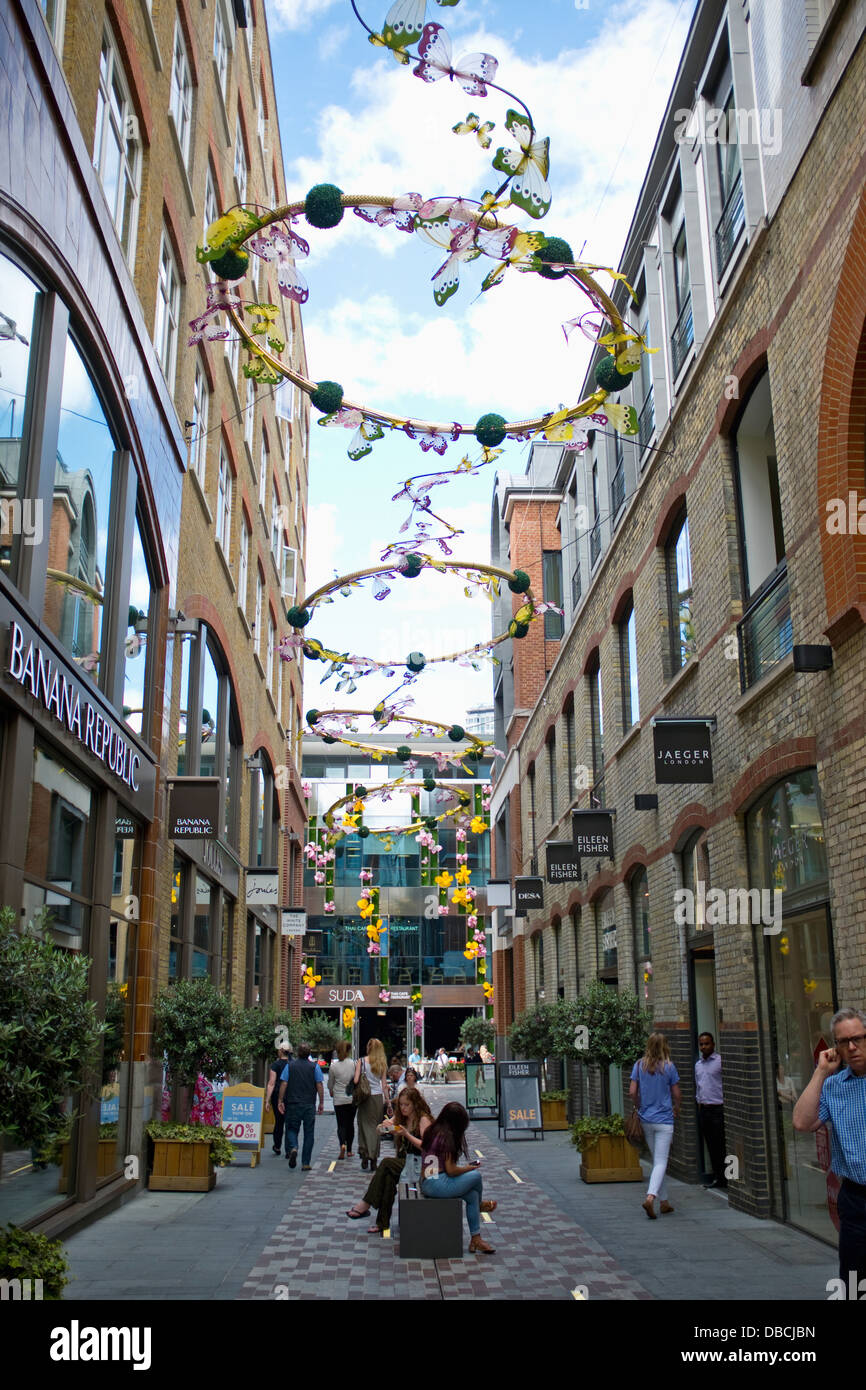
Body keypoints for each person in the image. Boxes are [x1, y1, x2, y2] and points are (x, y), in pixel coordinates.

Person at [793, 1008, 866, 1291]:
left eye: (858, 1038)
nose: (851, 1047)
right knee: (854, 1285)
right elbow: (801, 1122)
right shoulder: (834, 1086)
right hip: (856, 1199)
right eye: (843, 1041)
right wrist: (821, 1072)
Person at [345, 1087, 433, 1234]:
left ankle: (366, 1204)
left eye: (407, 1105)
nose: (403, 1108)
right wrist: (385, 1127)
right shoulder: (401, 1117)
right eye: (401, 1105)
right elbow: (379, 1130)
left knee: (386, 1163)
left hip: (420, 1164)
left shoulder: (423, 1119)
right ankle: (382, 1223)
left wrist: (406, 1134)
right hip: (405, 1162)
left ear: (415, 1104)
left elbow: (427, 1146)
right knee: (388, 1178)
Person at [420, 1102, 497, 1254]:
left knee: (472, 1195)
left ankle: (476, 1239)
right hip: (438, 1184)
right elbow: (451, 1170)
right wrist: (469, 1168)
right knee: (475, 1176)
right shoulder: (446, 1137)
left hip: (428, 1181)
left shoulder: (432, 1131)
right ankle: (481, 1206)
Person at [629, 1032, 681, 1219]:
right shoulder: (669, 1067)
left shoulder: (639, 1065)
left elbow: (632, 1091)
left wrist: (638, 1106)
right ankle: (650, 1198)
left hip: (646, 1119)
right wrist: (677, 1107)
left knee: (658, 1161)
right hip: (664, 1120)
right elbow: (676, 1093)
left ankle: (664, 1202)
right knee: (661, 1162)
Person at [278, 1044, 325, 1170]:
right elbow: (319, 1085)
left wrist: (280, 1100)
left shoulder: (290, 1066)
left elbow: (284, 1083)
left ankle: (293, 1147)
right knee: (309, 1133)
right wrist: (321, 1102)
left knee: (292, 1129)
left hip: (293, 1103)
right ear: (309, 1053)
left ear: (298, 1053)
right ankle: (305, 1162)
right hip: (309, 1103)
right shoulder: (314, 1067)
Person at [695, 1031, 726, 1190]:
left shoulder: (720, 1061)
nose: (704, 1046)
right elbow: (699, 1088)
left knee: (724, 1145)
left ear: (713, 1044)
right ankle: (719, 1178)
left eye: (706, 1043)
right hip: (705, 1110)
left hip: (719, 1108)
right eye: (701, 1044)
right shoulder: (698, 1065)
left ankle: (730, 1178)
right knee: (712, 1146)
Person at [354, 1037, 391, 1172]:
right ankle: (374, 1157)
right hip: (377, 1098)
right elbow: (384, 1085)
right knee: (377, 1127)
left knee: (363, 1126)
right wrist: (388, 1102)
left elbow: (356, 1079)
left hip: (365, 1098)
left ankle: (364, 1153)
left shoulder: (362, 1061)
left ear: (368, 1048)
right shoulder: (382, 1063)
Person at [328, 1040, 356, 1160]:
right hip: (351, 1098)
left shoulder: (334, 1066)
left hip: (339, 1098)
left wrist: (331, 1091)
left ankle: (342, 1145)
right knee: (350, 1123)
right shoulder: (353, 1064)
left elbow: (330, 1083)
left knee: (341, 1124)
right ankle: (349, 1149)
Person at [266, 1045, 290, 1155]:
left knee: (279, 1121)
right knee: (289, 1122)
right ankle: (289, 1148)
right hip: (290, 1095)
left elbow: (271, 1083)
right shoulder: (292, 1064)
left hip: (277, 1095)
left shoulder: (275, 1065)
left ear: (281, 1051)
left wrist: (267, 1099)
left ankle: (277, 1145)